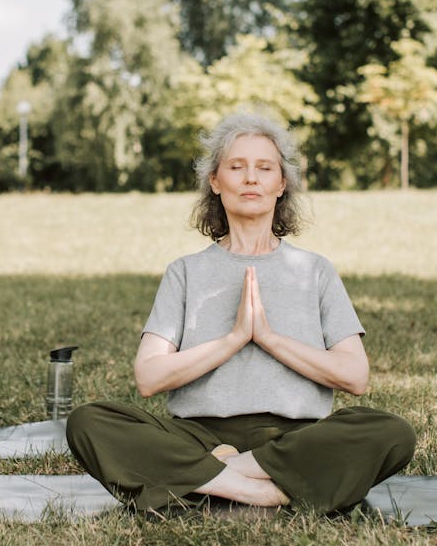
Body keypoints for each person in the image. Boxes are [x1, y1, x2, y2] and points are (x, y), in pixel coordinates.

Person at [66, 112, 415, 513]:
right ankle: (263, 491)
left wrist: (269, 338)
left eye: (265, 168)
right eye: (237, 167)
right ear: (215, 181)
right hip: (198, 437)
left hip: (297, 440)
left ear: (281, 184)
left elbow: (354, 376)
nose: (251, 178)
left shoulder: (316, 271)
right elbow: (148, 377)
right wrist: (233, 340)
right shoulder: (185, 272)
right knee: (89, 422)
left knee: (391, 433)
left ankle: (218, 477)